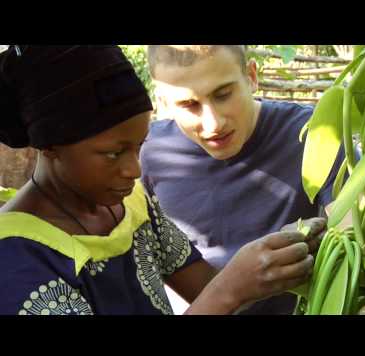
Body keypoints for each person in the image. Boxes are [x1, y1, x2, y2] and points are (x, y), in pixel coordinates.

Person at [0, 45, 325, 315]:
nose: (136, 170)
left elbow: (207, 288)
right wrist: (230, 289)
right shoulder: (17, 260)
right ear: (51, 148)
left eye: (139, 146)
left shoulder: (132, 204)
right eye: (114, 153)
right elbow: (220, 295)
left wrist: (272, 261)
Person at [141, 45, 345, 314]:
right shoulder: (144, 156)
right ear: (163, 102)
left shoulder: (311, 134)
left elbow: (354, 229)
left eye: (223, 95)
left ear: (251, 76)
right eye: (189, 105)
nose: (213, 124)